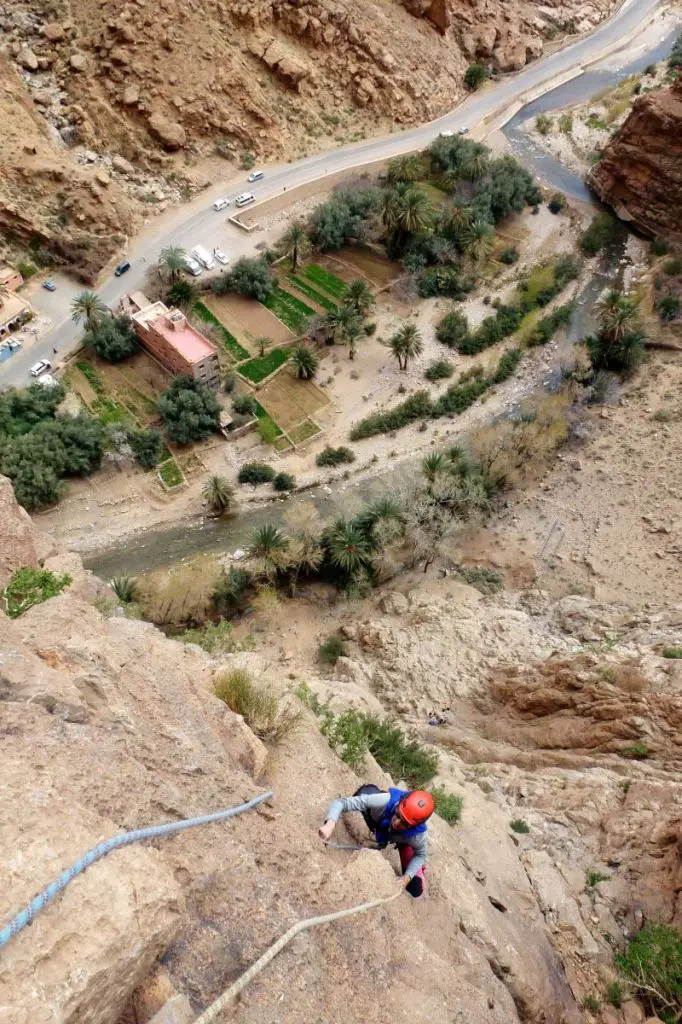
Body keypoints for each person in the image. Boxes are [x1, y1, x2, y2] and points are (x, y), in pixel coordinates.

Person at [319, 784, 434, 898]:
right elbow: (341, 802)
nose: (397, 822)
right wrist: (330, 824)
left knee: (416, 889)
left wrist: (407, 877)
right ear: (399, 803)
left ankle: (401, 849)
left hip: (403, 841)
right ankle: (372, 796)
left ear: (414, 826)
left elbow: (420, 855)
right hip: (381, 819)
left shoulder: (417, 835)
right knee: (364, 795)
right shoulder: (386, 801)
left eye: (404, 823)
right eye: (398, 814)